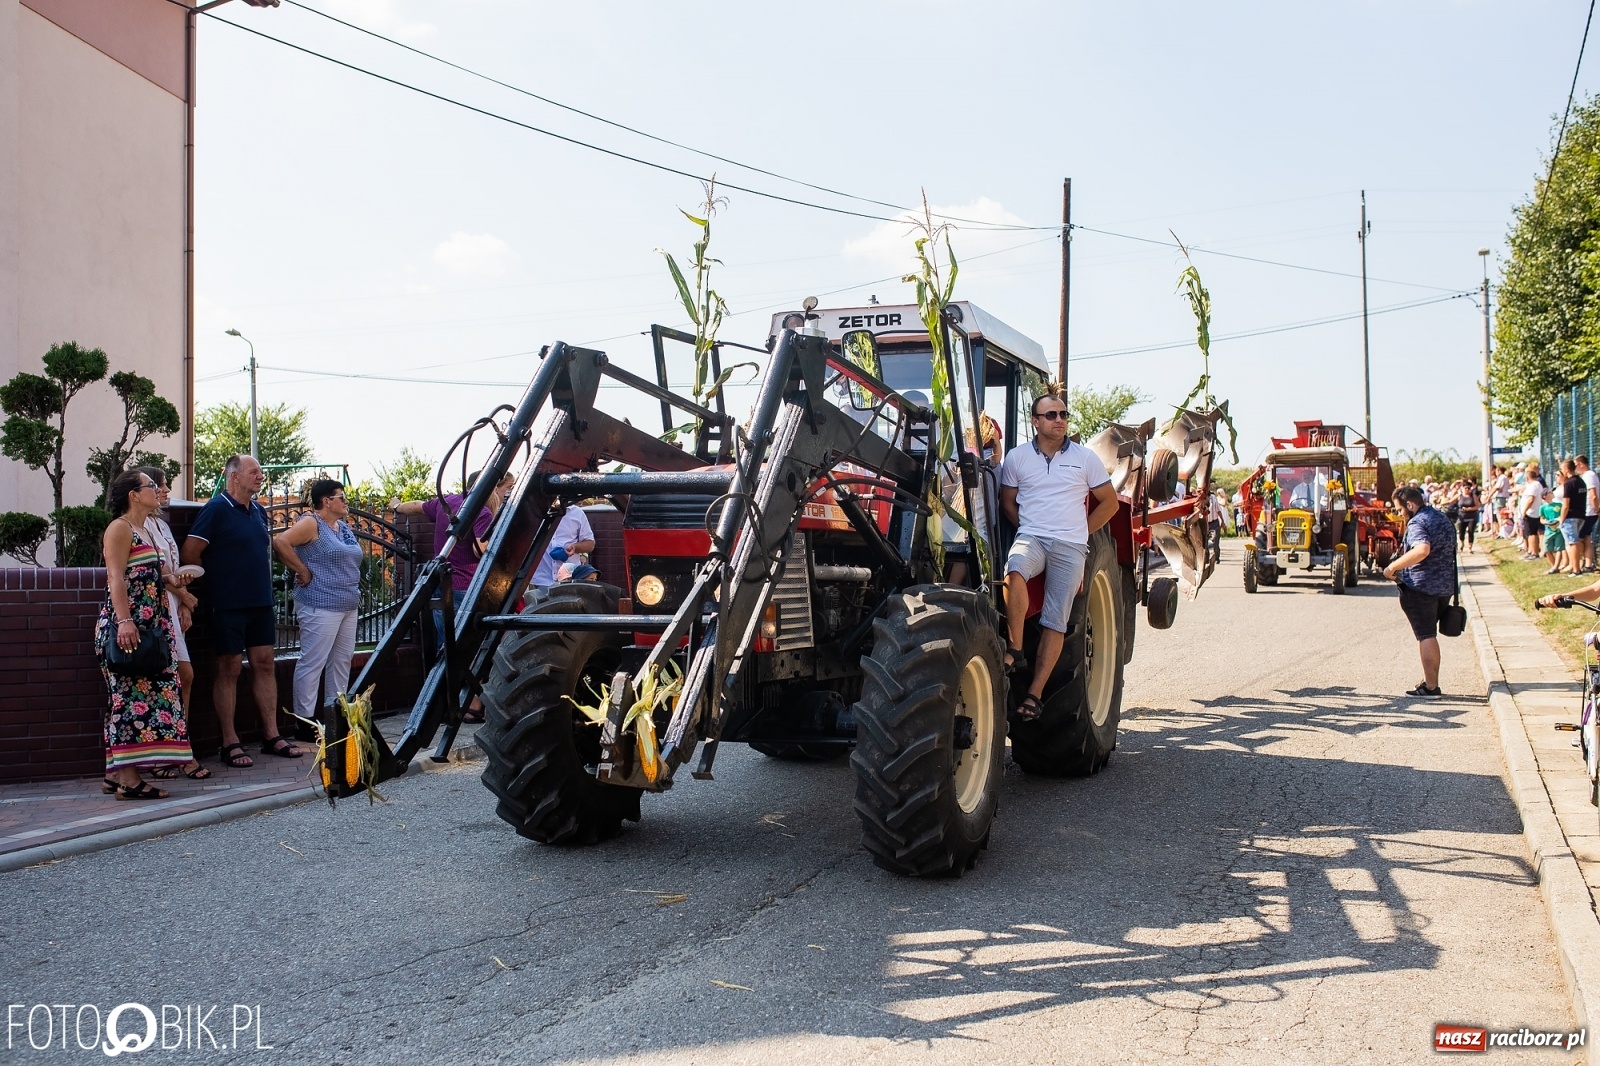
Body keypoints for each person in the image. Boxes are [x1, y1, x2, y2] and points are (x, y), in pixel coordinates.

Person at [998, 391, 1119, 721]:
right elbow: (1008, 501)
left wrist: (1082, 531)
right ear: (1035, 422)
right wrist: (1025, 526)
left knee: (1055, 618)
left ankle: (1034, 695)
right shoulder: (1017, 458)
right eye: (1051, 415)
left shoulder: (1085, 458)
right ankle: (1016, 648)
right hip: (1032, 537)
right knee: (1015, 572)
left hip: (1070, 546)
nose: (1059, 420)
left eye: (1063, 414)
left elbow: (1110, 503)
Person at [181, 453, 304, 767]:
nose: (260, 477)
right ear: (233, 475)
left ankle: (272, 735)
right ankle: (229, 742)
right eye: (254, 472)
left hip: (260, 602)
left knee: (265, 664)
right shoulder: (215, 510)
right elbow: (190, 552)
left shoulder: (258, 512)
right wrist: (200, 591)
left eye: (260, 472)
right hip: (228, 604)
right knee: (229, 669)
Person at [96, 470, 197, 797]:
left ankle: (115, 775)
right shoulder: (120, 528)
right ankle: (129, 781)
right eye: (151, 486)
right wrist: (125, 621)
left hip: (150, 628)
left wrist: (176, 584)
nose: (158, 491)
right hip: (128, 629)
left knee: (136, 699)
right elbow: (116, 579)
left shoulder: (145, 530)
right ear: (133, 495)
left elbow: (158, 575)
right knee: (128, 700)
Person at [134, 465, 209, 782]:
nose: (164, 492)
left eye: (164, 486)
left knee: (181, 678)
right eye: (158, 486)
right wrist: (184, 596)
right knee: (175, 677)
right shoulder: (135, 527)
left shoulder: (161, 526)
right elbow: (152, 572)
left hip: (171, 607)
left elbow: (171, 568)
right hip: (154, 610)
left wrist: (184, 599)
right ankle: (171, 752)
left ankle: (175, 749)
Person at [273, 479, 363, 725]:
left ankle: (336, 717)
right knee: (313, 661)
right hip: (319, 604)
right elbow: (281, 542)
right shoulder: (312, 523)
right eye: (341, 497)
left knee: (341, 662)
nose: (346, 502)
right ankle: (305, 722)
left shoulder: (342, 527)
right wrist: (302, 571)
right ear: (326, 501)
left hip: (347, 605)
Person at [1381, 485, 1458, 699]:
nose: (1399, 514)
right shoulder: (1442, 518)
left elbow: (1422, 550)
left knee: (1426, 635)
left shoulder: (1417, 522)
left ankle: (1431, 687)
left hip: (1421, 587)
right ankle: (1430, 682)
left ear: (1410, 505)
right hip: (1444, 585)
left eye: (1399, 509)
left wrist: (1393, 567)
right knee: (1429, 633)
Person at [532, 503, 596, 588]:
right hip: (542, 580)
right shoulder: (535, 512)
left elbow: (590, 544)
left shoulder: (577, 513)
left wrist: (575, 547)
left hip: (571, 580)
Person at [1559, 459, 1587, 576]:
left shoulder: (1568, 484)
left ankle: (1576, 569)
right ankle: (1577, 565)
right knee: (1576, 541)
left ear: (1566, 469)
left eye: (1561, 469)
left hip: (1570, 516)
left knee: (1572, 543)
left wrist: (1561, 519)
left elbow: (1566, 505)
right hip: (1581, 515)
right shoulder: (1581, 481)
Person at [1579, 455, 1599, 573]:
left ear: (1581, 464)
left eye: (1576, 465)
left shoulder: (1589, 476)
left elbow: (1593, 494)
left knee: (1580, 538)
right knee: (1586, 537)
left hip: (1589, 512)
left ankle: (1585, 562)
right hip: (1588, 511)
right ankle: (1587, 563)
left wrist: (1596, 508)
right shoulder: (1587, 476)